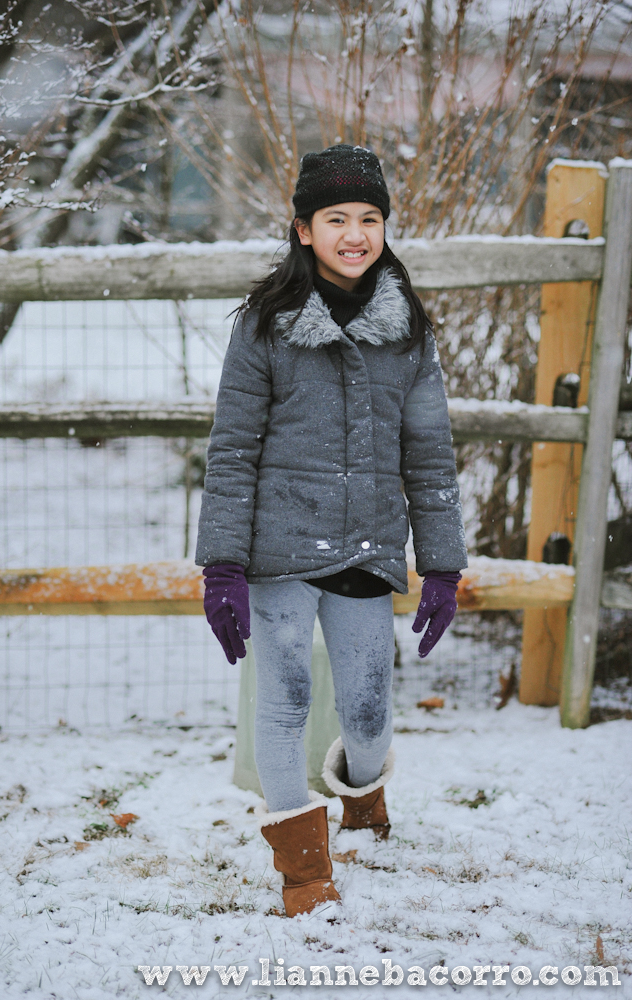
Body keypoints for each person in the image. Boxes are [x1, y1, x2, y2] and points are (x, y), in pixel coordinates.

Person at [196, 144, 467, 918]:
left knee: (368, 710)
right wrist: (221, 564)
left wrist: (441, 564)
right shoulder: (266, 325)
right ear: (303, 229)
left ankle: (364, 795)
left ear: (385, 226)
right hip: (278, 546)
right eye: (336, 218)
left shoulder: (409, 330)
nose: (355, 233)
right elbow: (233, 446)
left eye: (370, 217)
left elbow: (430, 451)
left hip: (368, 543)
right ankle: (304, 874)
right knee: (283, 699)